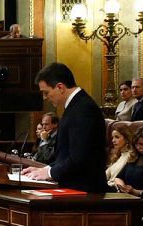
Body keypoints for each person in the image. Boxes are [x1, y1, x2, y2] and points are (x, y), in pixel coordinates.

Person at [22, 63, 107, 192]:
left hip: (85, 192)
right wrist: (45, 170)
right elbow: (67, 154)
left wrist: (50, 173)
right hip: (76, 187)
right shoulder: (76, 105)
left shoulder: (83, 108)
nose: (45, 98)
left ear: (60, 87)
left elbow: (80, 157)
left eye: (46, 92)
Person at [106, 124, 134, 189]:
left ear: (127, 139)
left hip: (115, 190)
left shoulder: (131, 156)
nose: (113, 140)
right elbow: (105, 176)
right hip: (108, 187)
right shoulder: (117, 155)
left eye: (117, 137)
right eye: (112, 137)